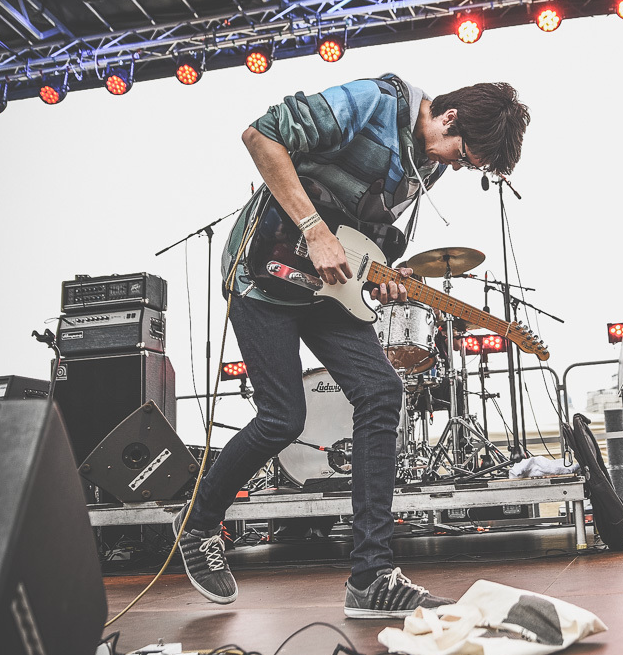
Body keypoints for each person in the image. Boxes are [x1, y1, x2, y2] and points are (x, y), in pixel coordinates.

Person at [172, 75, 530, 618]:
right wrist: (314, 229)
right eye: (464, 155)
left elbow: (368, 230)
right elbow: (260, 137)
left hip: (326, 288)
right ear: (450, 118)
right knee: (281, 417)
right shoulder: (374, 102)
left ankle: (372, 576)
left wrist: (388, 273)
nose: (458, 166)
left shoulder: (425, 163)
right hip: (265, 272)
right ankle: (197, 525)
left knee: (382, 392)